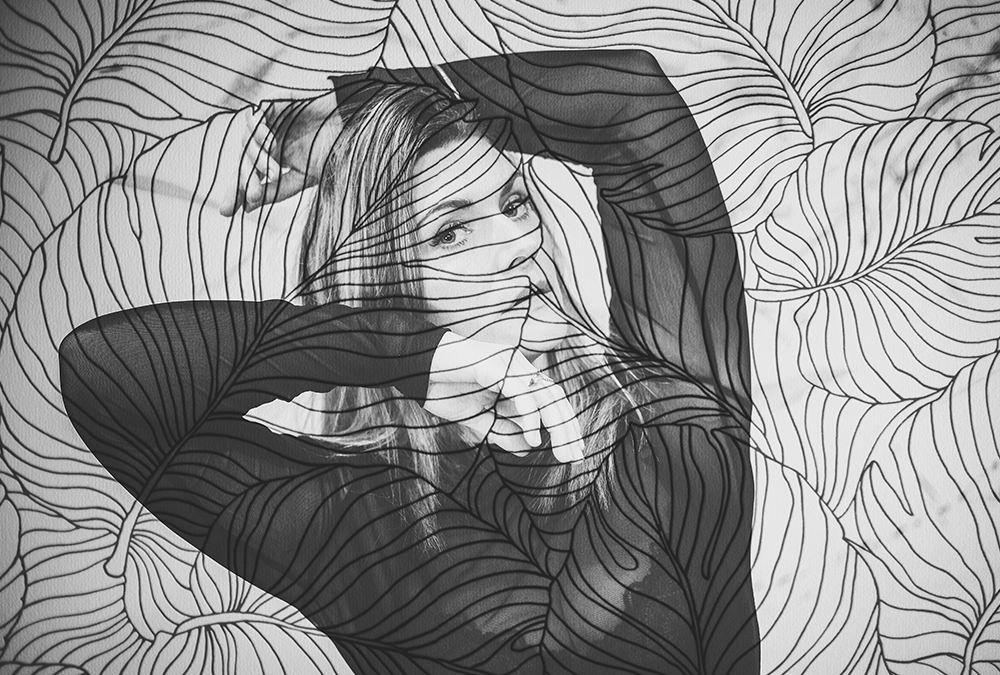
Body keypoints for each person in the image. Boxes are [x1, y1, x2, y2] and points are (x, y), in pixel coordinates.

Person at [59, 49, 759, 674]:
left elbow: (632, 100)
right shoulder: (364, 520)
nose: (517, 244)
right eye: (451, 231)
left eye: (514, 203)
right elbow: (105, 371)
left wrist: (348, 107)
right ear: (388, 286)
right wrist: (411, 354)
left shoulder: (663, 400)